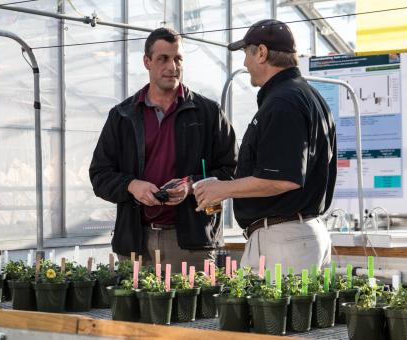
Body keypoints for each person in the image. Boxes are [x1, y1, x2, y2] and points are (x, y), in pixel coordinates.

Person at [194, 19, 336, 273]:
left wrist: (222, 189)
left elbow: (283, 179)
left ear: (262, 53)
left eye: (246, 53)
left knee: (274, 314)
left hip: (284, 240)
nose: (245, 64)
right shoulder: (307, 95)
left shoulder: (284, 102)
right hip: (297, 235)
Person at [89, 27, 237, 270]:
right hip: (137, 243)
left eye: (178, 58)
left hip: (192, 244)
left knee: (191, 309)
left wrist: (192, 186)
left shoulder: (208, 113)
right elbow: (99, 175)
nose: (172, 66)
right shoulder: (123, 115)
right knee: (137, 309)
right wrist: (132, 185)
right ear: (147, 62)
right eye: (163, 58)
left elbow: (232, 170)